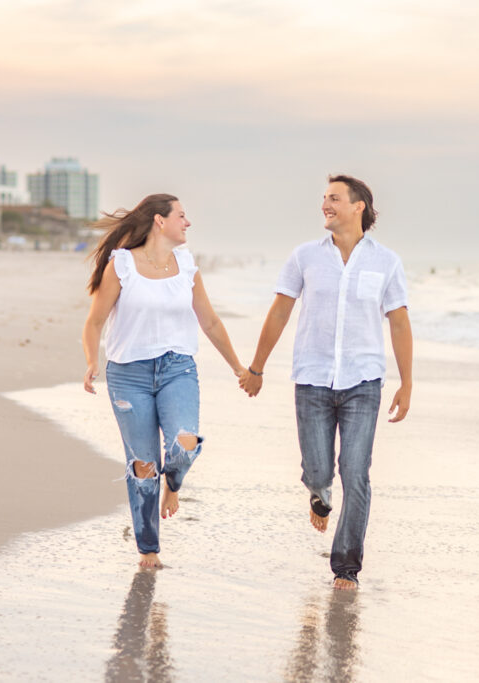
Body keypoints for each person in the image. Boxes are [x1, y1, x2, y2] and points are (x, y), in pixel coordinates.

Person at [239, 175, 413, 590]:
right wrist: (257, 367)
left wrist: (407, 383)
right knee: (319, 469)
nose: (325, 205)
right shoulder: (304, 257)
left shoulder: (386, 262)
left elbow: (400, 323)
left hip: (364, 382)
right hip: (313, 380)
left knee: (356, 472)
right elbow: (279, 312)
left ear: (359, 207)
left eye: (333, 198)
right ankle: (318, 491)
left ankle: (346, 567)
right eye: (324, 198)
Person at [82, 193, 247, 569]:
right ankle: (148, 549)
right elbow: (94, 321)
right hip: (129, 375)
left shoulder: (187, 265)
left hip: (178, 369)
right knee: (143, 466)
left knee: (184, 445)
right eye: (182, 216)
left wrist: (238, 366)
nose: (187, 223)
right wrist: (92, 360)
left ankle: (172, 486)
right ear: (160, 221)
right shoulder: (121, 265)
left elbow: (210, 322)